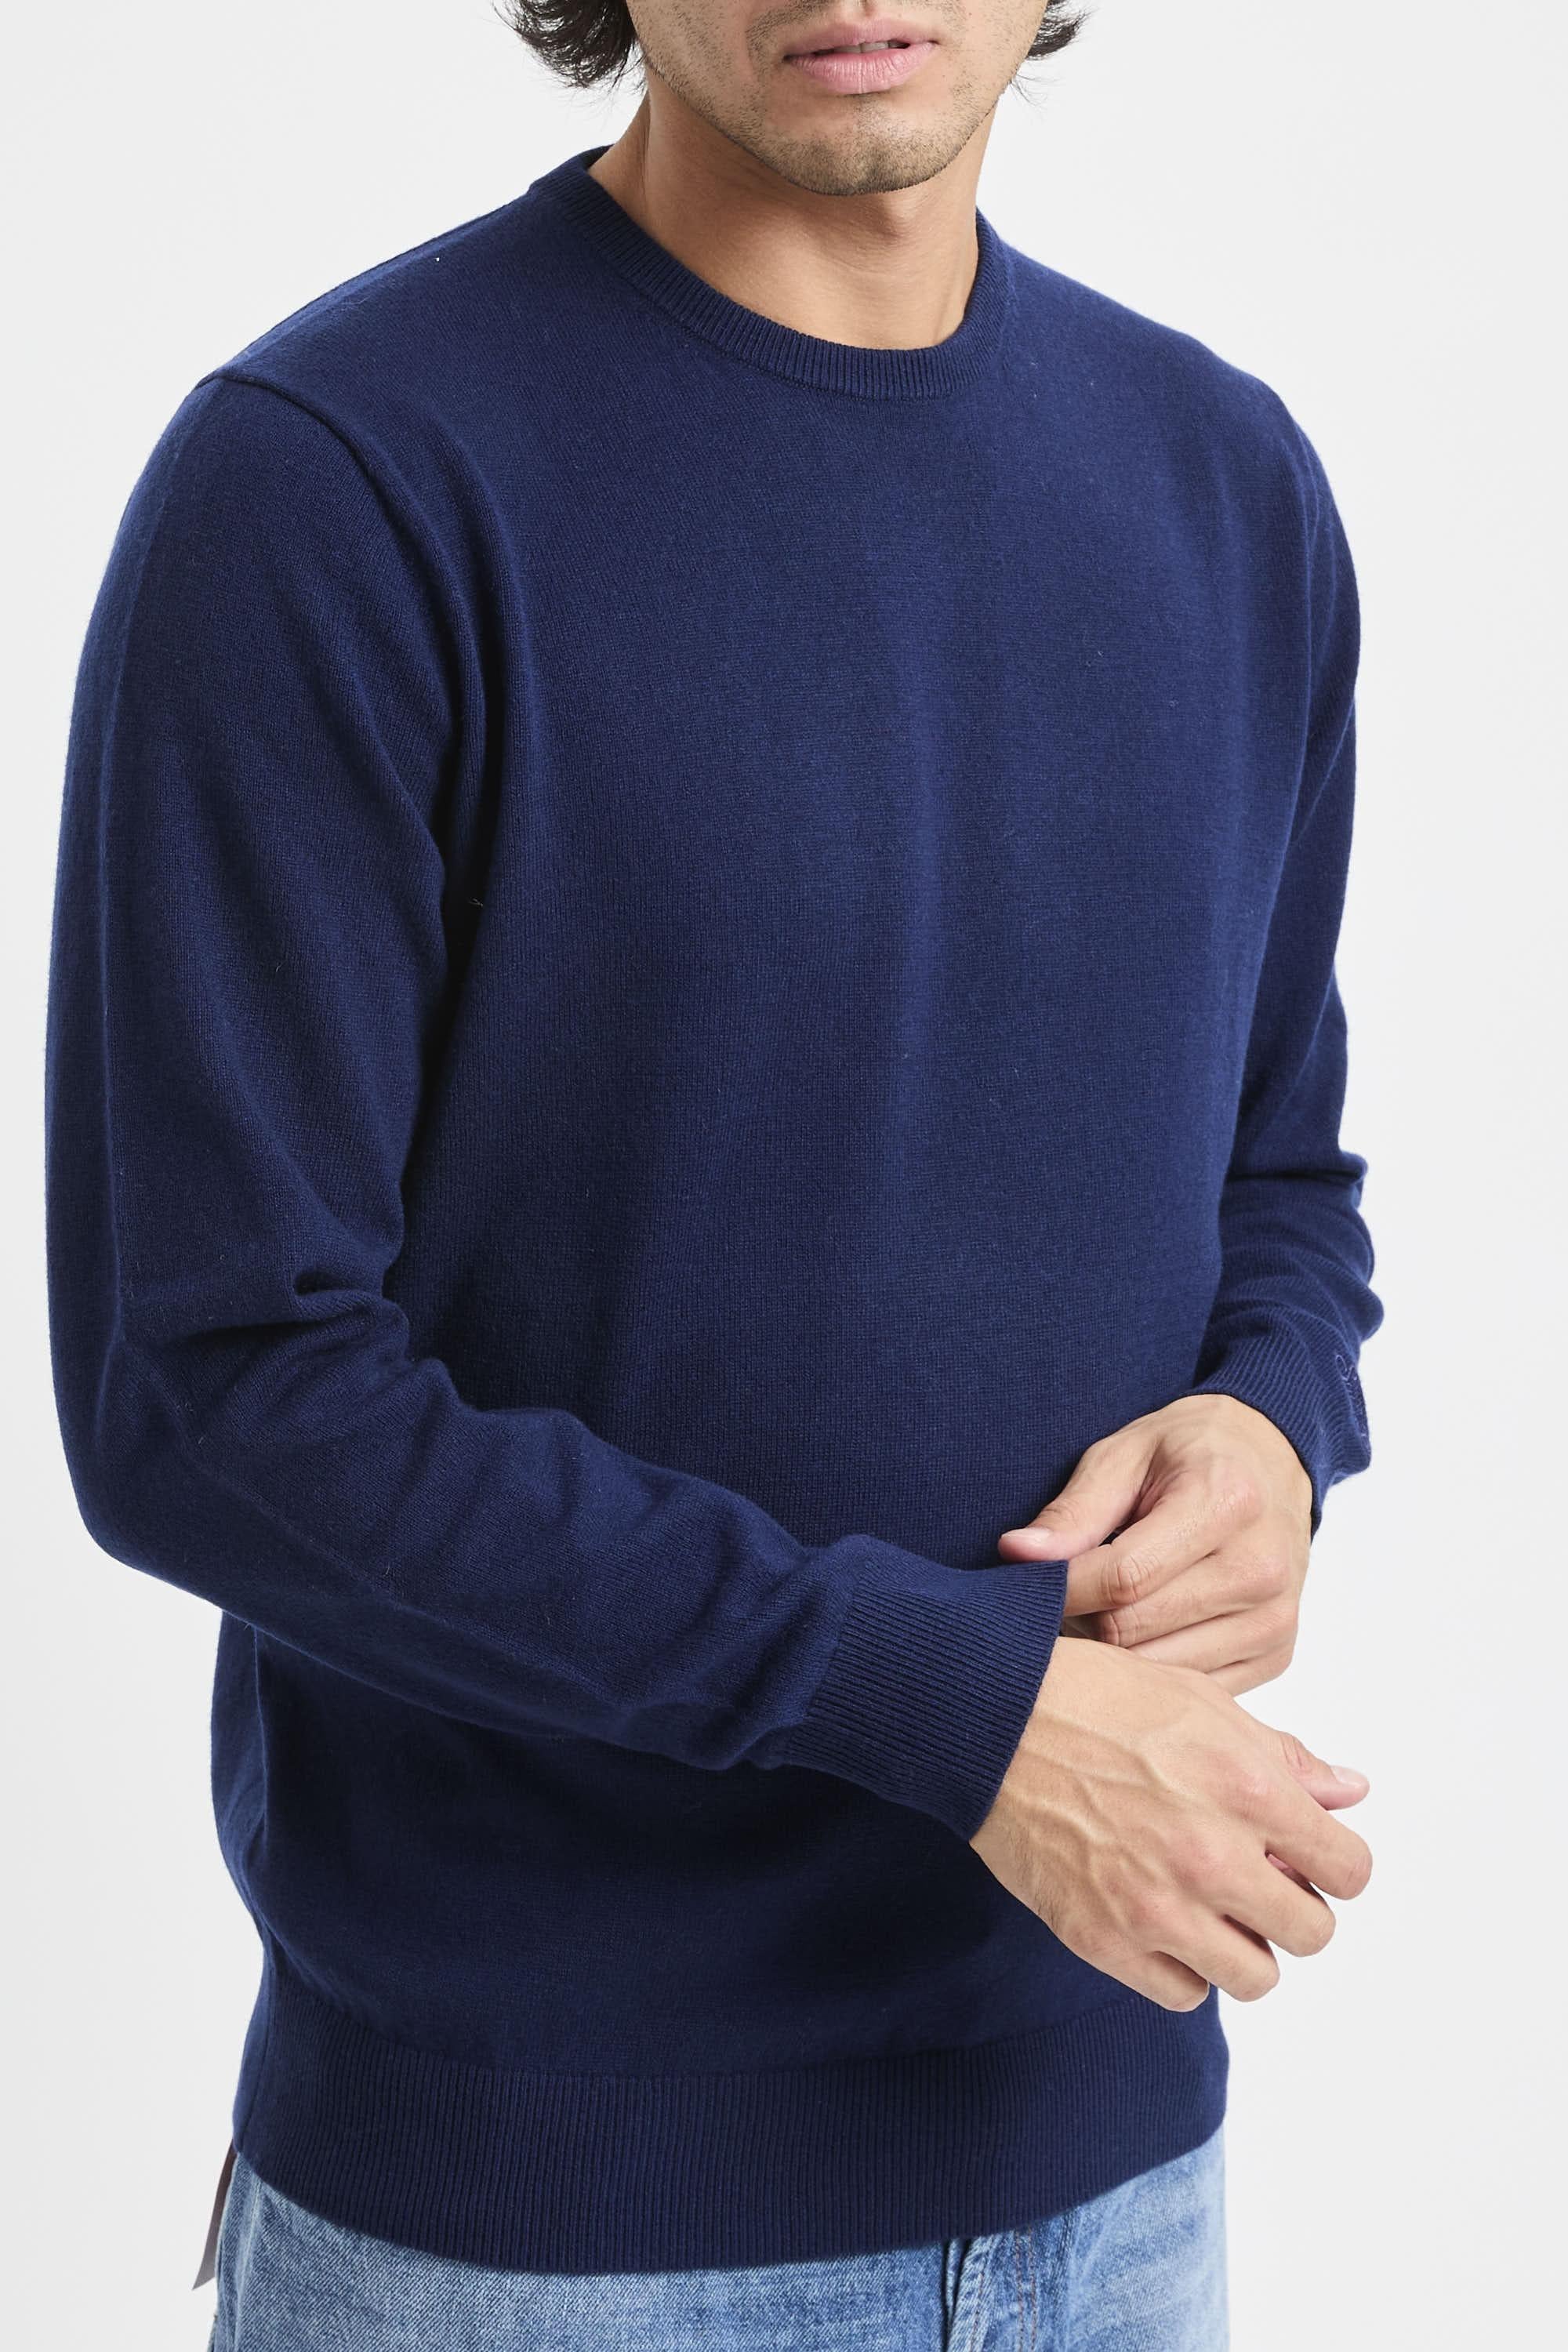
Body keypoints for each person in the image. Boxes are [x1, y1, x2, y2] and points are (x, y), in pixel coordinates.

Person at [44, 2, 1382, 2344]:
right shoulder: (338, 480)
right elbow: (215, 1393)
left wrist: (1274, 1417)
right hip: (538, 2235)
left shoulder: (1224, 484)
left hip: (1122, 2167)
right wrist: (949, 1709)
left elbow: (1273, 1161)